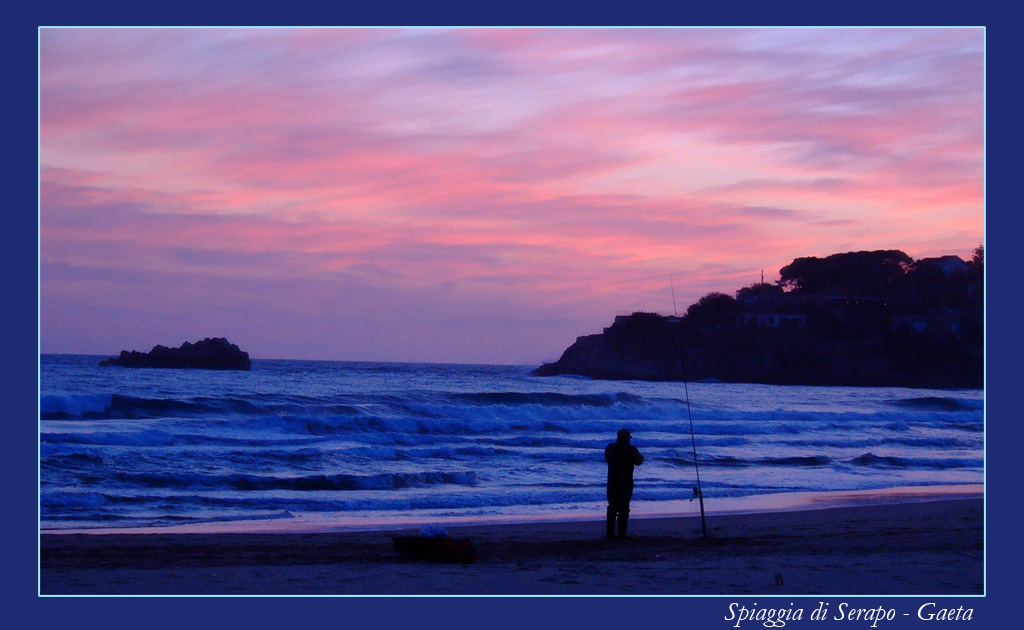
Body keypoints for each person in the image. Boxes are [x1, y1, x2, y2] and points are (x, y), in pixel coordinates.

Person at [605, 428, 643, 539]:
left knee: (612, 508)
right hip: (626, 482)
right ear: (626, 438)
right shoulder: (630, 450)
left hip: (613, 482)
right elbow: (639, 461)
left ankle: (610, 533)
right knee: (624, 508)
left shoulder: (610, 449)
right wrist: (634, 451)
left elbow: (607, 457)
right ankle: (622, 534)